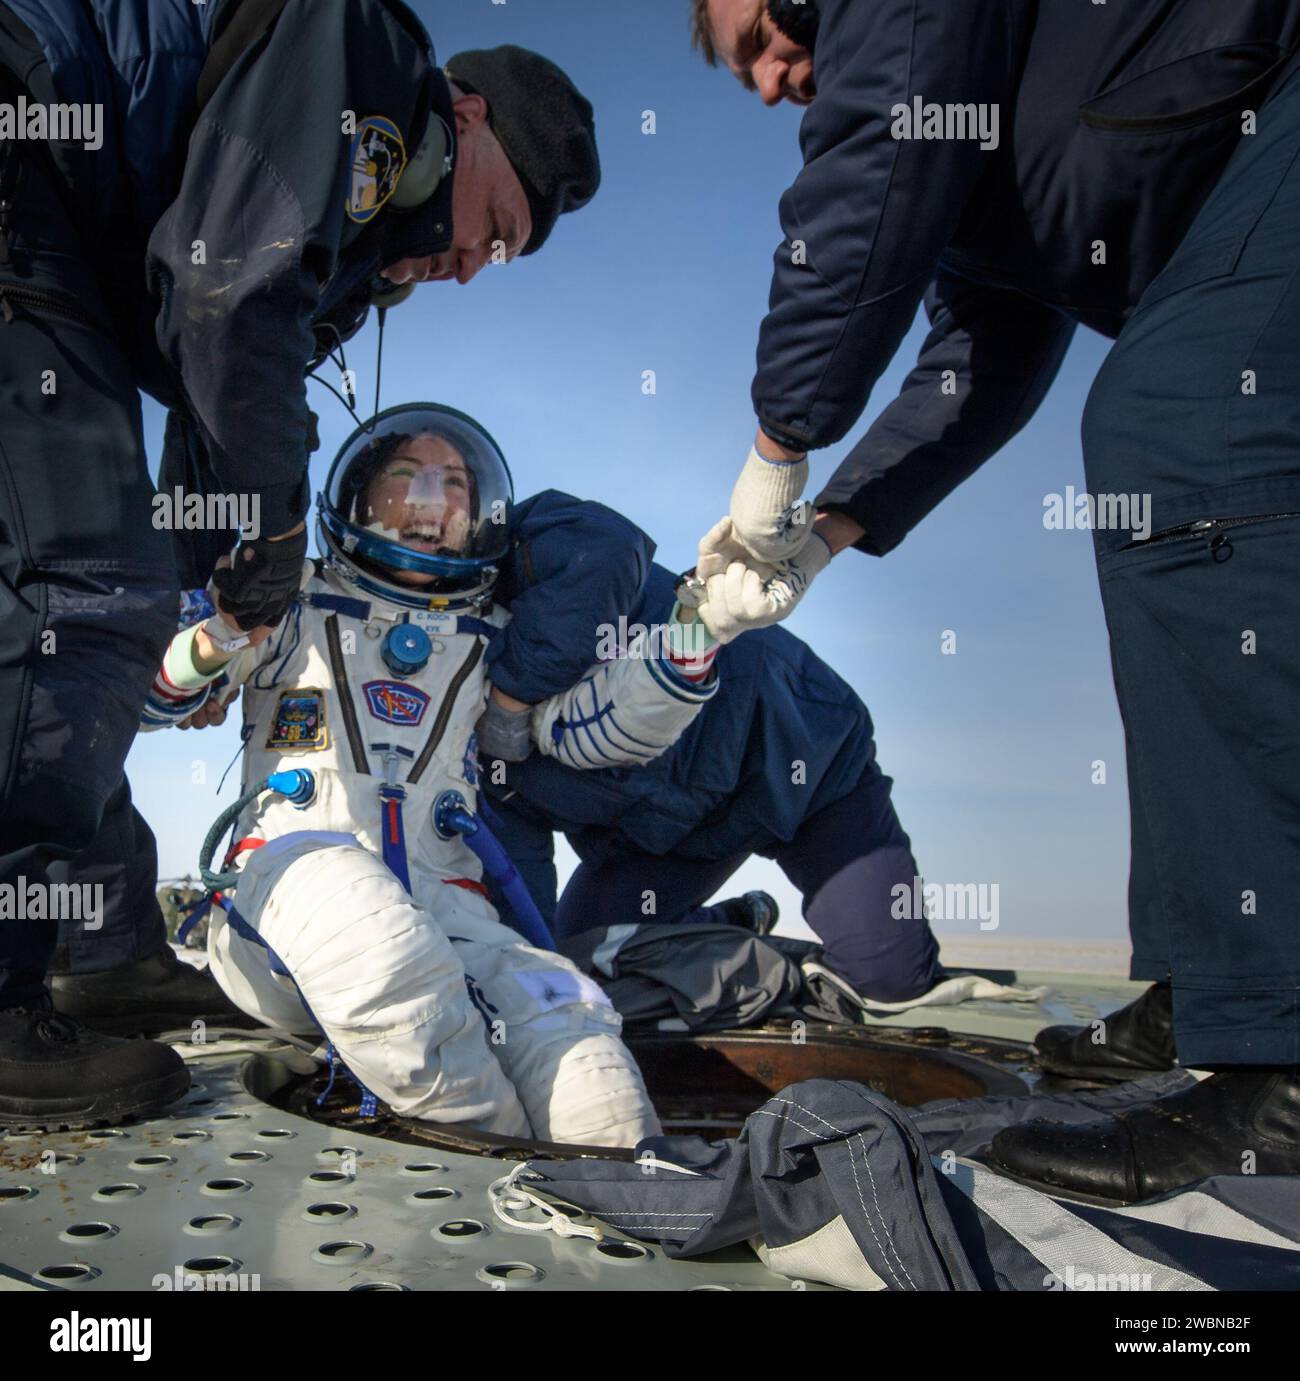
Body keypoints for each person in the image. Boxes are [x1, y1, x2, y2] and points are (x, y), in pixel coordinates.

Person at [687, 0, 1300, 1199]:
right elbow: (985, 354)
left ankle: (1280, 1055)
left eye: (760, 33)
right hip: (1231, 176)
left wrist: (779, 442)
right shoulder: (987, 157)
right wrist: (824, 533)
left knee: (1184, 434)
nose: (763, 83)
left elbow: (877, 162)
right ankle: (1213, 993)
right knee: (1157, 440)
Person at [0, 0, 600, 1127]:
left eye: (504, 253)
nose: (478, 263)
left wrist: (205, 593)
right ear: (464, 120)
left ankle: (102, 948)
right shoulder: (366, 56)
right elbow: (225, 291)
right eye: (499, 224)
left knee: (102, 609)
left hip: (62, 218)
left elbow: (208, 391)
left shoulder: (360, 256)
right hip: (27, 135)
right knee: (76, 595)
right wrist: (270, 542)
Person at [136, 403, 723, 1146]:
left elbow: (587, 728)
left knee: (566, 1020)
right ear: (361, 497)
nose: (429, 501)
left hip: (446, 909)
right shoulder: (290, 601)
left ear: (478, 517)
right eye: (406, 477)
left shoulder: (492, 639)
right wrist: (217, 633)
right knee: (371, 933)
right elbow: (160, 698)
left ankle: (623, 1193)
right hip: (286, 892)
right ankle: (500, 1160)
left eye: (454, 486)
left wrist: (702, 630)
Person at [481, 556, 941, 1013]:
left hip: (808, 774)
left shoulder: (551, 556)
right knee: (583, 964)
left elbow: (604, 550)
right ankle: (742, 924)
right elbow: (521, 913)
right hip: (668, 842)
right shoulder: (465, 753)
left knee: (890, 982)